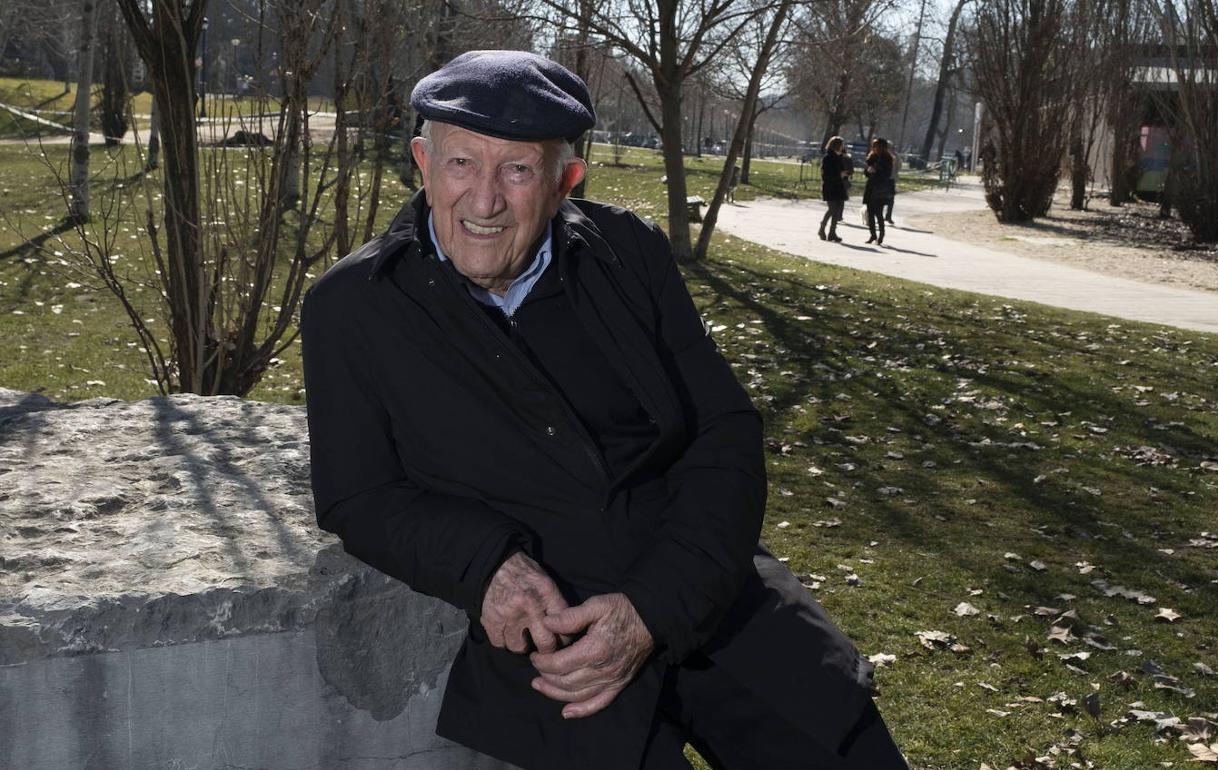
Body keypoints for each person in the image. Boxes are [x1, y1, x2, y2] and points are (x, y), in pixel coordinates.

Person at [302, 50, 907, 770]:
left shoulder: (627, 252)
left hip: (714, 601)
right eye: (462, 164)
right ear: (422, 165)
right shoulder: (352, 307)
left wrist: (654, 608)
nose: (485, 200)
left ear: (566, 182)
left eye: (518, 170)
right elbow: (358, 495)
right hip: (561, 661)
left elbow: (724, 435)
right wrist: (484, 563)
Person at [818, 135, 853, 242]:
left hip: (839, 186)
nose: (843, 146)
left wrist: (845, 173)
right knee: (832, 209)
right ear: (837, 145)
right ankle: (822, 228)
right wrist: (839, 174)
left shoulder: (840, 157)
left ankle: (832, 233)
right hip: (830, 186)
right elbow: (825, 174)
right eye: (842, 144)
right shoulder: (828, 157)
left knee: (837, 211)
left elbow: (843, 170)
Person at [863, 137, 895, 245]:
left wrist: (877, 170)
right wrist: (868, 171)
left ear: (882, 147)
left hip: (880, 189)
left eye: (877, 146)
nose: (874, 148)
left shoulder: (887, 159)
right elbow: (866, 172)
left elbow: (887, 175)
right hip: (870, 187)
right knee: (870, 213)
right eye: (874, 146)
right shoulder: (872, 157)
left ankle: (881, 235)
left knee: (879, 213)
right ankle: (872, 234)